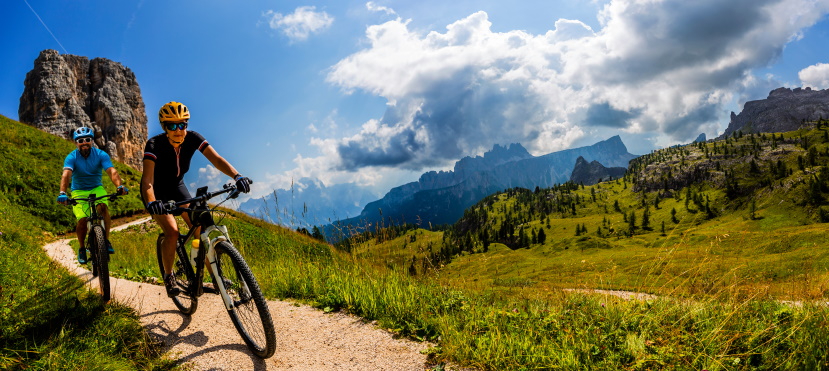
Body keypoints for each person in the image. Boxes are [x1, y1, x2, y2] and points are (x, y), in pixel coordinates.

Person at [141, 101, 251, 297]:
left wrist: (237, 176)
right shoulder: (154, 144)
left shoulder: (193, 138)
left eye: (182, 124)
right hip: (157, 193)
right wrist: (152, 202)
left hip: (177, 186)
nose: (178, 130)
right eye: (172, 125)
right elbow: (147, 180)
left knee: (200, 229)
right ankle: (169, 276)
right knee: (173, 232)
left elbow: (216, 159)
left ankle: (215, 278)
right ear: (164, 127)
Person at [57, 126, 129, 264]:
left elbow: (111, 171)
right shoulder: (71, 157)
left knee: (103, 207)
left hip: (97, 188)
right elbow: (66, 175)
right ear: (76, 142)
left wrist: (119, 186)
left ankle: (106, 241)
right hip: (78, 190)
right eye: (80, 140)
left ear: (92, 141)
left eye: (87, 139)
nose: (84, 142)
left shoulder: (101, 154)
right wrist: (62, 193)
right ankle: (82, 248)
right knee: (82, 220)